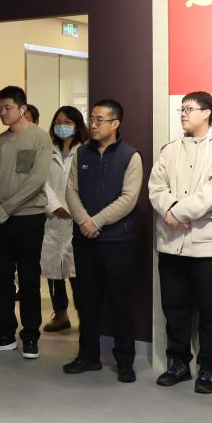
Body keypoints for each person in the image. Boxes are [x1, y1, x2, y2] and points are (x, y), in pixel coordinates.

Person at [147, 91, 212, 394]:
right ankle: (179, 363)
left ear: (207, 112)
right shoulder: (170, 149)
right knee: (174, 308)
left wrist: (178, 212)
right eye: (182, 109)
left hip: (208, 245)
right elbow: (156, 186)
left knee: (210, 312)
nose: (184, 114)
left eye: (190, 109)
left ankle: (208, 368)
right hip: (171, 243)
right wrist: (170, 211)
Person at [63, 99, 142, 379]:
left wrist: (95, 221)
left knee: (121, 302)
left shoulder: (130, 156)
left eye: (100, 120)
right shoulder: (81, 153)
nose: (93, 125)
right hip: (84, 240)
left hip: (117, 241)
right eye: (92, 119)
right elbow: (70, 191)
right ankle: (88, 356)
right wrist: (84, 221)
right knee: (86, 302)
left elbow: (128, 198)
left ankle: (125, 362)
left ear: (115, 124)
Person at [0, 86, 52, 358]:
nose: (2, 112)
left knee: (29, 280)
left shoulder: (39, 137)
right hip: (0, 221)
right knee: (2, 280)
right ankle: (4, 334)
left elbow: (36, 180)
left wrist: (6, 208)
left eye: (7, 107)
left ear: (22, 109)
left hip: (28, 219)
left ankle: (31, 337)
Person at [43, 106, 87, 332]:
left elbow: (85, 185)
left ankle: (84, 318)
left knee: (76, 272)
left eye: (67, 122)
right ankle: (60, 315)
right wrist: (55, 206)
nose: (62, 126)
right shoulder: (47, 151)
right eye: (58, 122)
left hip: (77, 219)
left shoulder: (84, 151)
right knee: (54, 272)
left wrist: (72, 209)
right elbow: (41, 182)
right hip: (52, 219)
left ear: (77, 125)